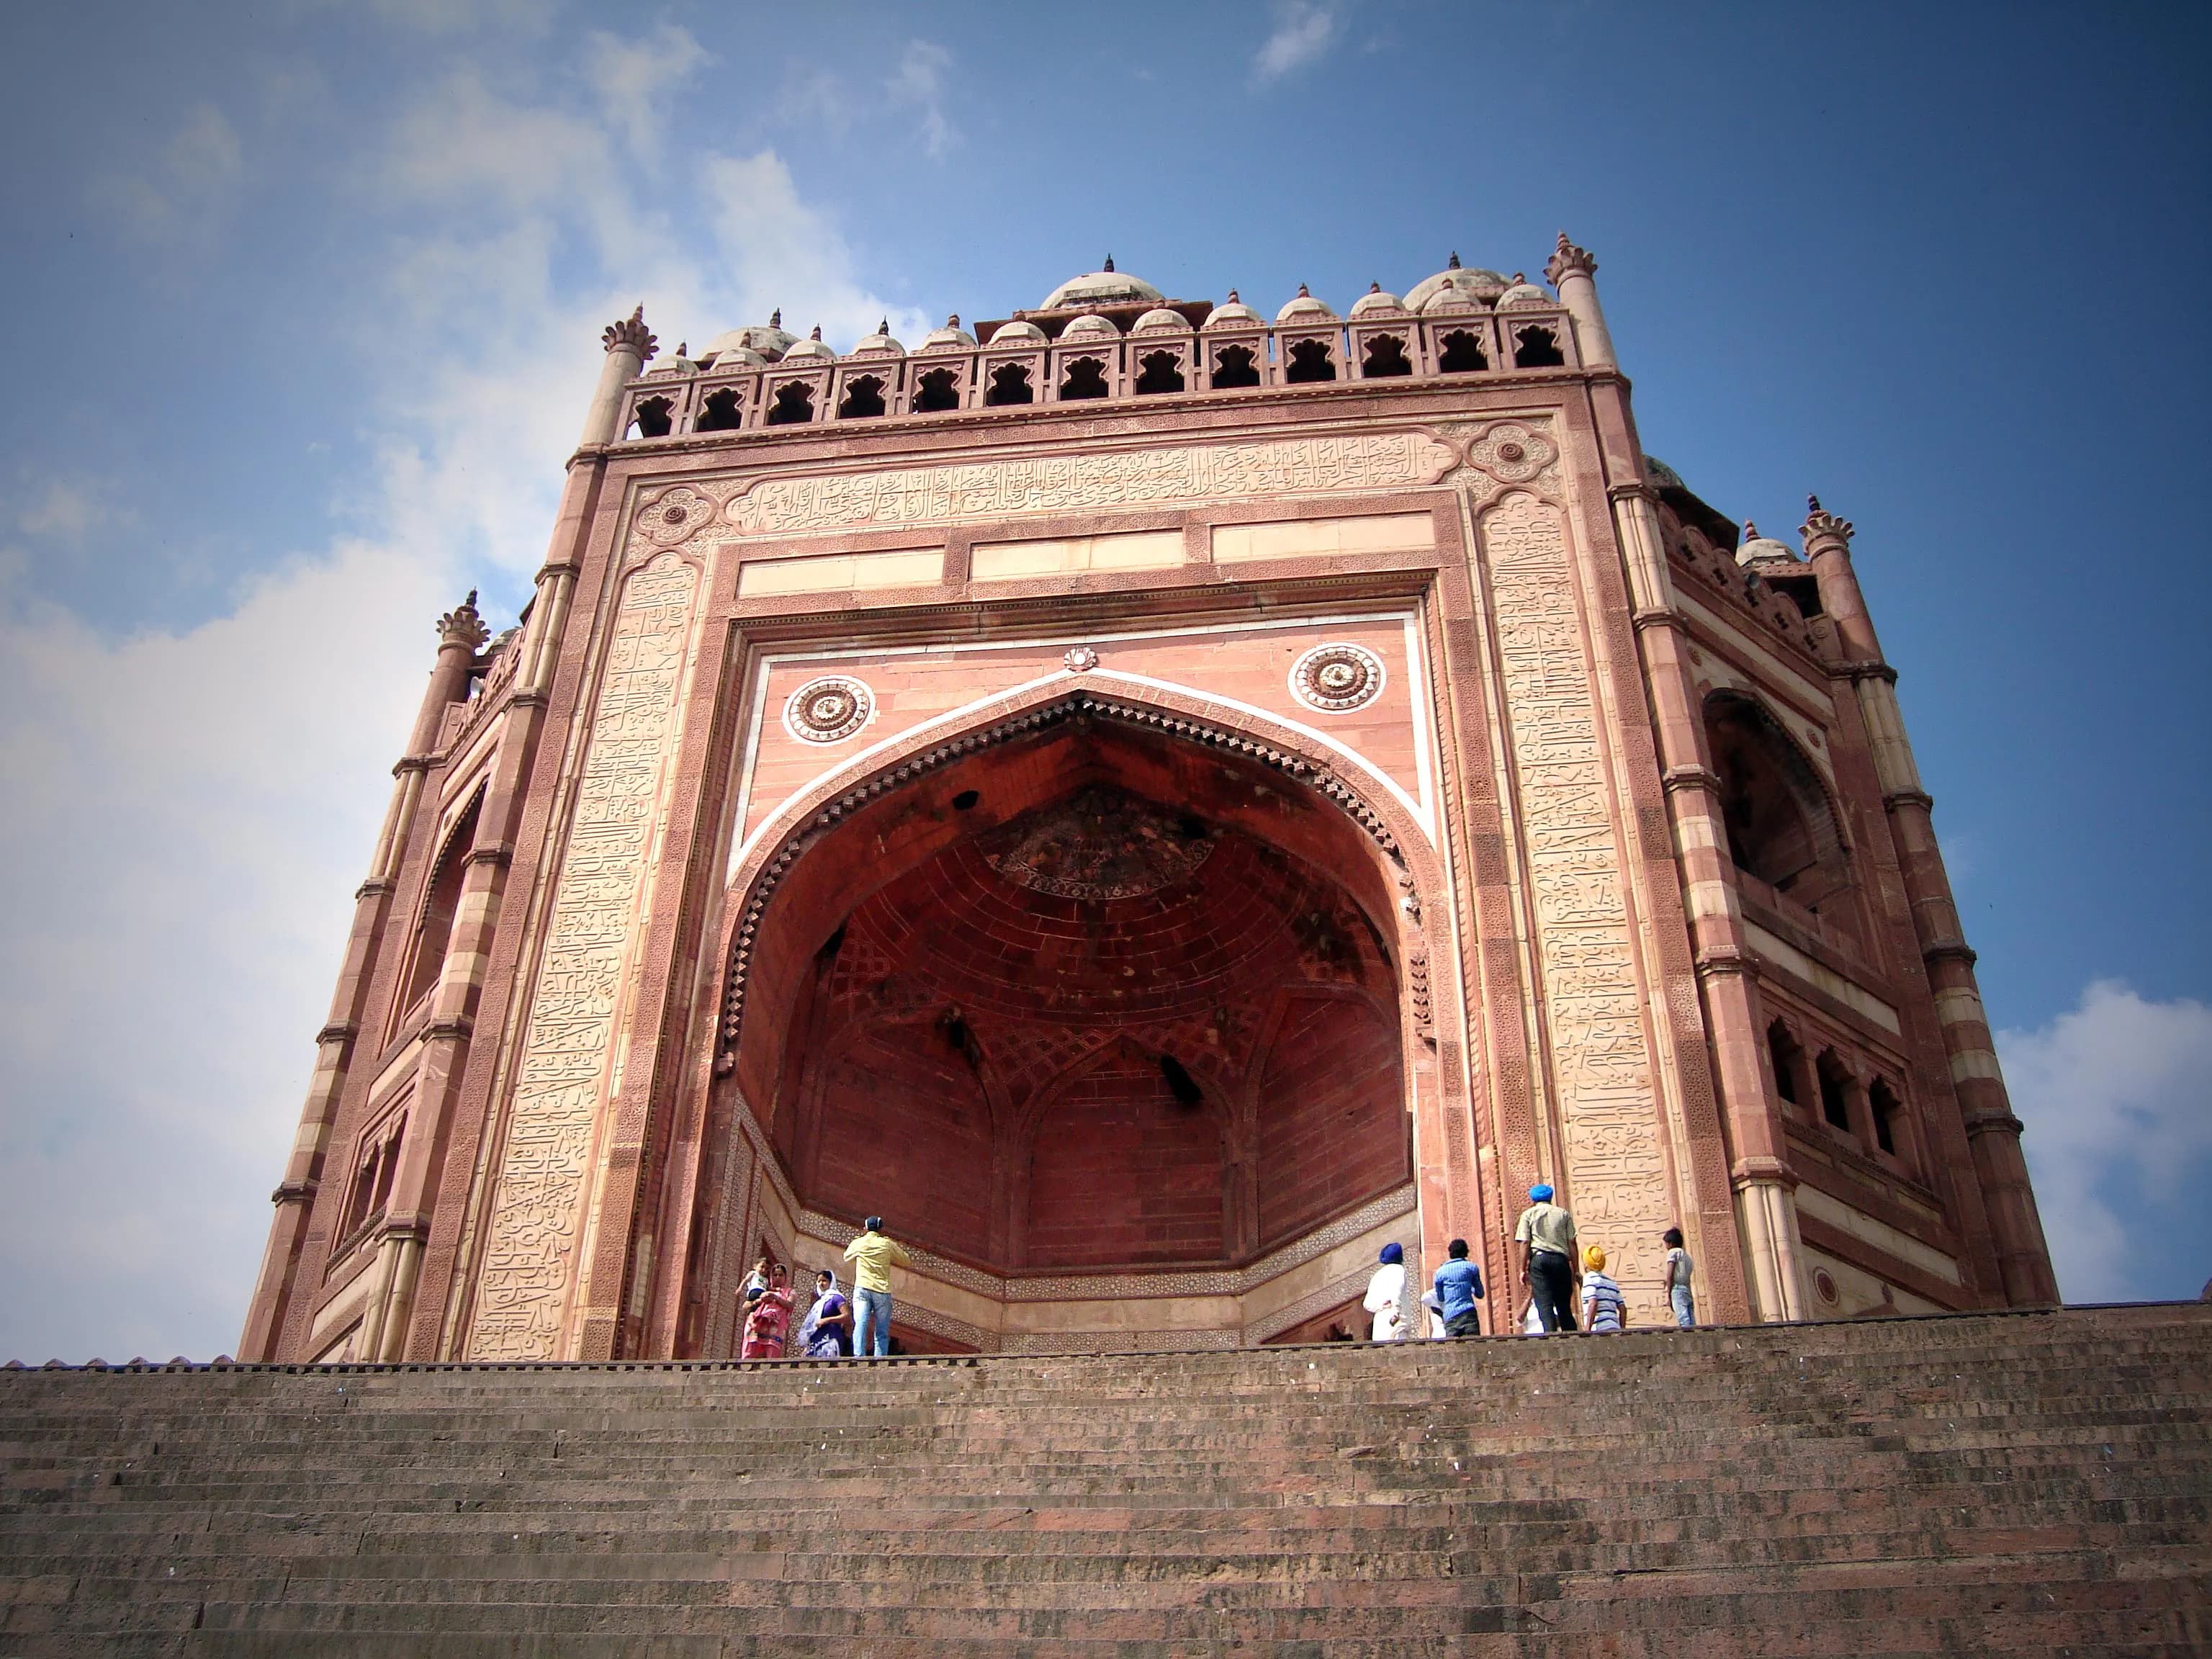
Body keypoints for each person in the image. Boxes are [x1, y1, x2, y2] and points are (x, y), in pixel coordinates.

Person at [1514, 1183, 1579, 1332]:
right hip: (1561, 1260)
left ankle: (1550, 1335)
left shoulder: (1528, 1215)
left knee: (1544, 1304)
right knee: (1564, 1304)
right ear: (1550, 1198)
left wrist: (1522, 1269)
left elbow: (1525, 1242)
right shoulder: (1563, 1214)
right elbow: (1572, 1242)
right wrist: (1576, 1269)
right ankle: (1572, 1335)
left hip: (1539, 1260)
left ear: (1533, 1199)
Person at [842, 1216, 910, 1359]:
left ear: (865, 1229)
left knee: (861, 1323)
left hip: (862, 1288)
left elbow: (847, 1257)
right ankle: (880, 1359)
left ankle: (859, 1356)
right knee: (881, 1329)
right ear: (880, 1230)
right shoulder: (887, 1244)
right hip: (882, 1290)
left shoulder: (859, 1242)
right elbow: (906, 1260)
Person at [1431, 1237, 1485, 1337]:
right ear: (1465, 1252)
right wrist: (1470, 1288)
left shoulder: (1440, 1273)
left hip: (1450, 1316)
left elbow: (1441, 1298)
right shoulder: (1471, 1267)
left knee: (1453, 1346)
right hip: (1468, 1313)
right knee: (1473, 1344)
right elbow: (1480, 1294)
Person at [739, 1262, 794, 1359]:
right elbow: (745, 1306)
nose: (777, 1277)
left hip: (775, 1328)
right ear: (771, 1277)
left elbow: (790, 1305)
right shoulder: (762, 1289)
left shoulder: (789, 1292)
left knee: (771, 1355)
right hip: (756, 1325)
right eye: (775, 1275)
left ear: (786, 1277)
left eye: (781, 1275)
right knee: (750, 1351)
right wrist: (760, 1300)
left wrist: (775, 1297)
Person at [795, 1269, 853, 1360]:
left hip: (830, 1340)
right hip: (815, 1342)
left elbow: (847, 1316)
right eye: (819, 1281)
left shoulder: (837, 1298)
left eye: (824, 1281)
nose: (821, 1284)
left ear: (831, 1282)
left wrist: (827, 1320)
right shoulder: (819, 1302)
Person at [1362, 1242, 1408, 1341]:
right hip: (1396, 1320)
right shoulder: (1398, 1269)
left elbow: (1367, 1304)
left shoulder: (1377, 1275)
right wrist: (1396, 1311)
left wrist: (1381, 1306)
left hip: (1380, 1323)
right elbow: (1397, 1291)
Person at [1580, 1245, 1626, 1333]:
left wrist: (1587, 1330)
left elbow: (1593, 1304)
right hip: (1615, 1328)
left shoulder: (1589, 1279)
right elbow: (1622, 1308)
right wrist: (1623, 1330)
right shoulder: (1611, 1282)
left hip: (1599, 1329)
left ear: (1586, 1264)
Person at [1662, 1226, 1696, 1328]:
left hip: (1677, 1288)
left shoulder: (1673, 1252)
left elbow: (1670, 1273)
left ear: (1670, 1243)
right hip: (1686, 1289)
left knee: (1683, 1319)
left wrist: (1668, 1293)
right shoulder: (1687, 1256)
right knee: (1691, 1318)